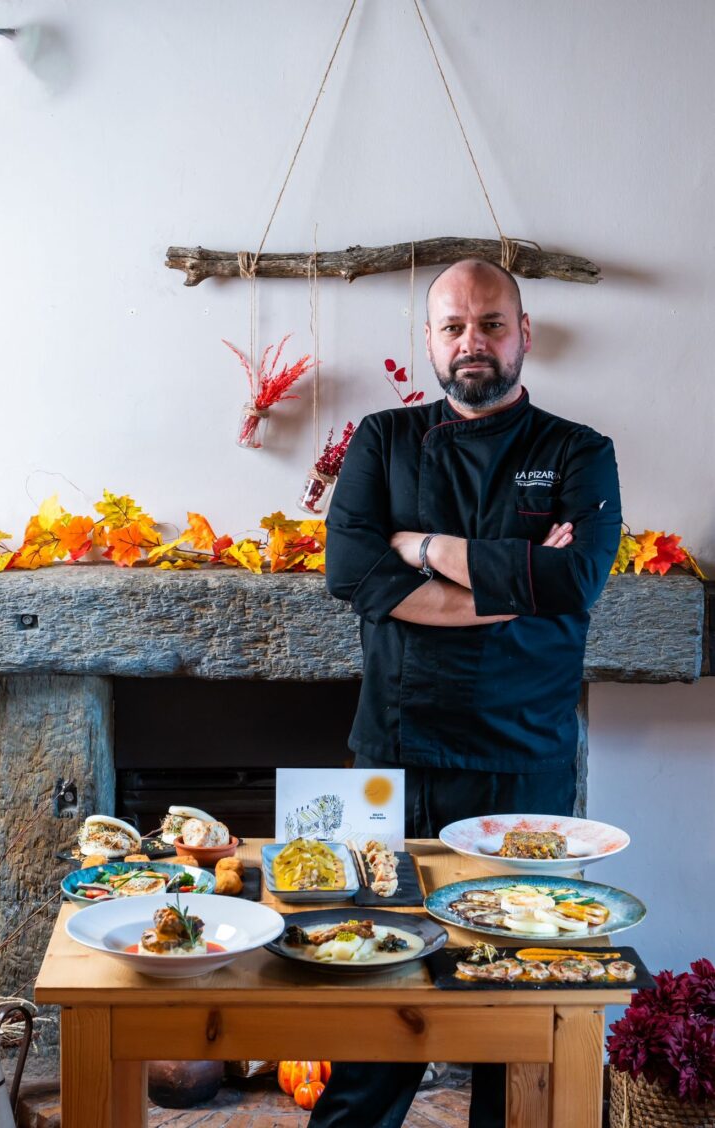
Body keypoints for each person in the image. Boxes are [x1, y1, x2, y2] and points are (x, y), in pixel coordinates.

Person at [310, 259, 622, 1128]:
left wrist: (421, 547)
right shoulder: (382, 439)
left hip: (525, 769)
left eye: (490, 323)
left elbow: (578, 579)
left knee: (514, 1019)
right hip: (392, 763)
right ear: (429, 341)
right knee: (369, 1005)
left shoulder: (578, 452)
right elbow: (350, 572)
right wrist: (516, 585)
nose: (471, 342)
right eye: (453, 326)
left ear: (524, 334)